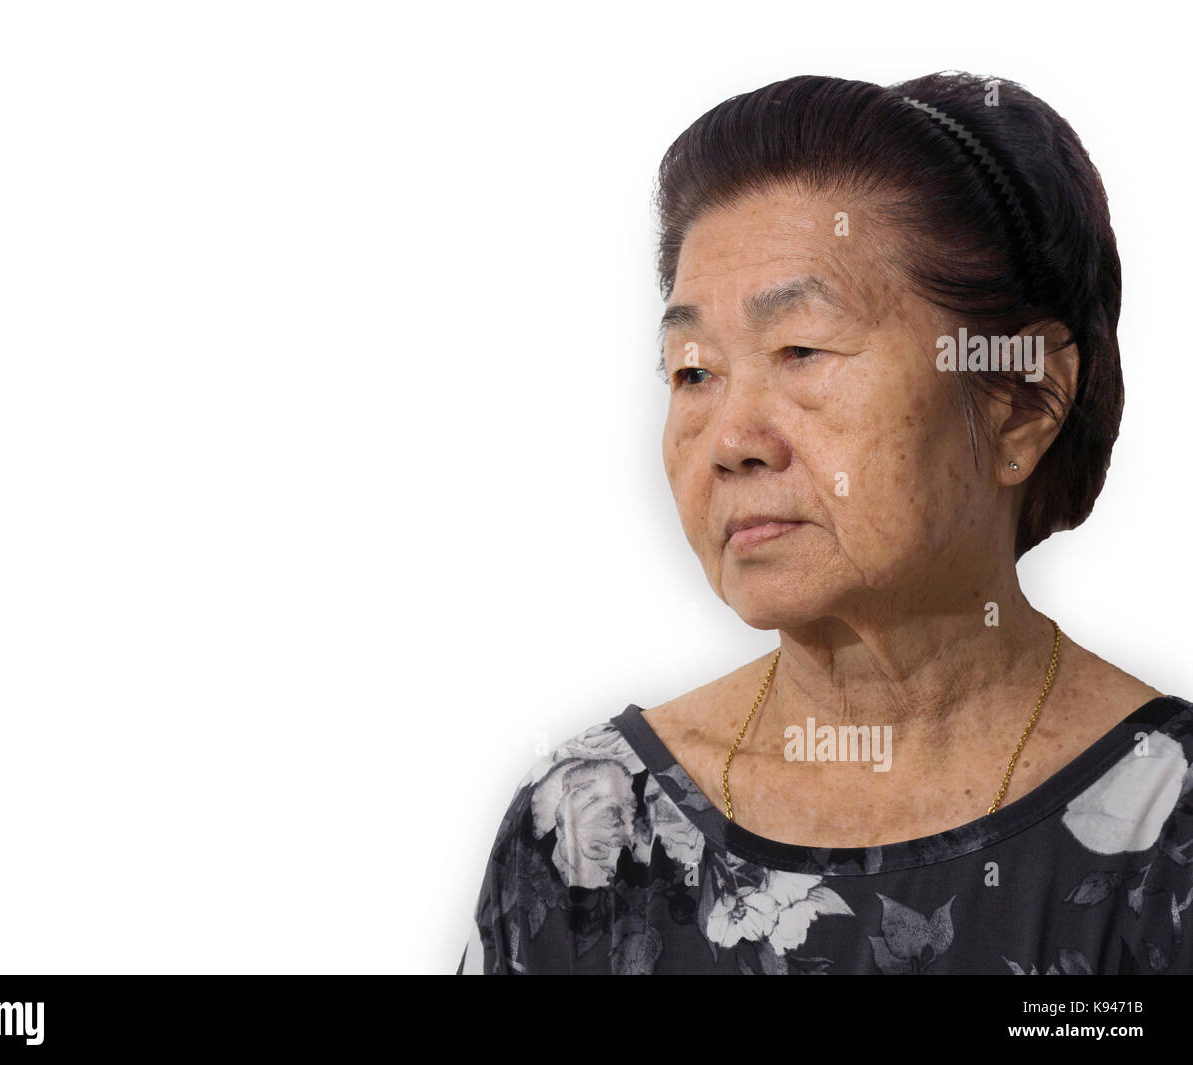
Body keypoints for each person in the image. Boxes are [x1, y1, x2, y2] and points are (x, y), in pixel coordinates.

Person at [457, 71, 1193, 975]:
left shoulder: (1170, 836)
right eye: (693, 370)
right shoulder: (587, 833)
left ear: (1021, 401)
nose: (729, 440)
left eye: (801, 350)